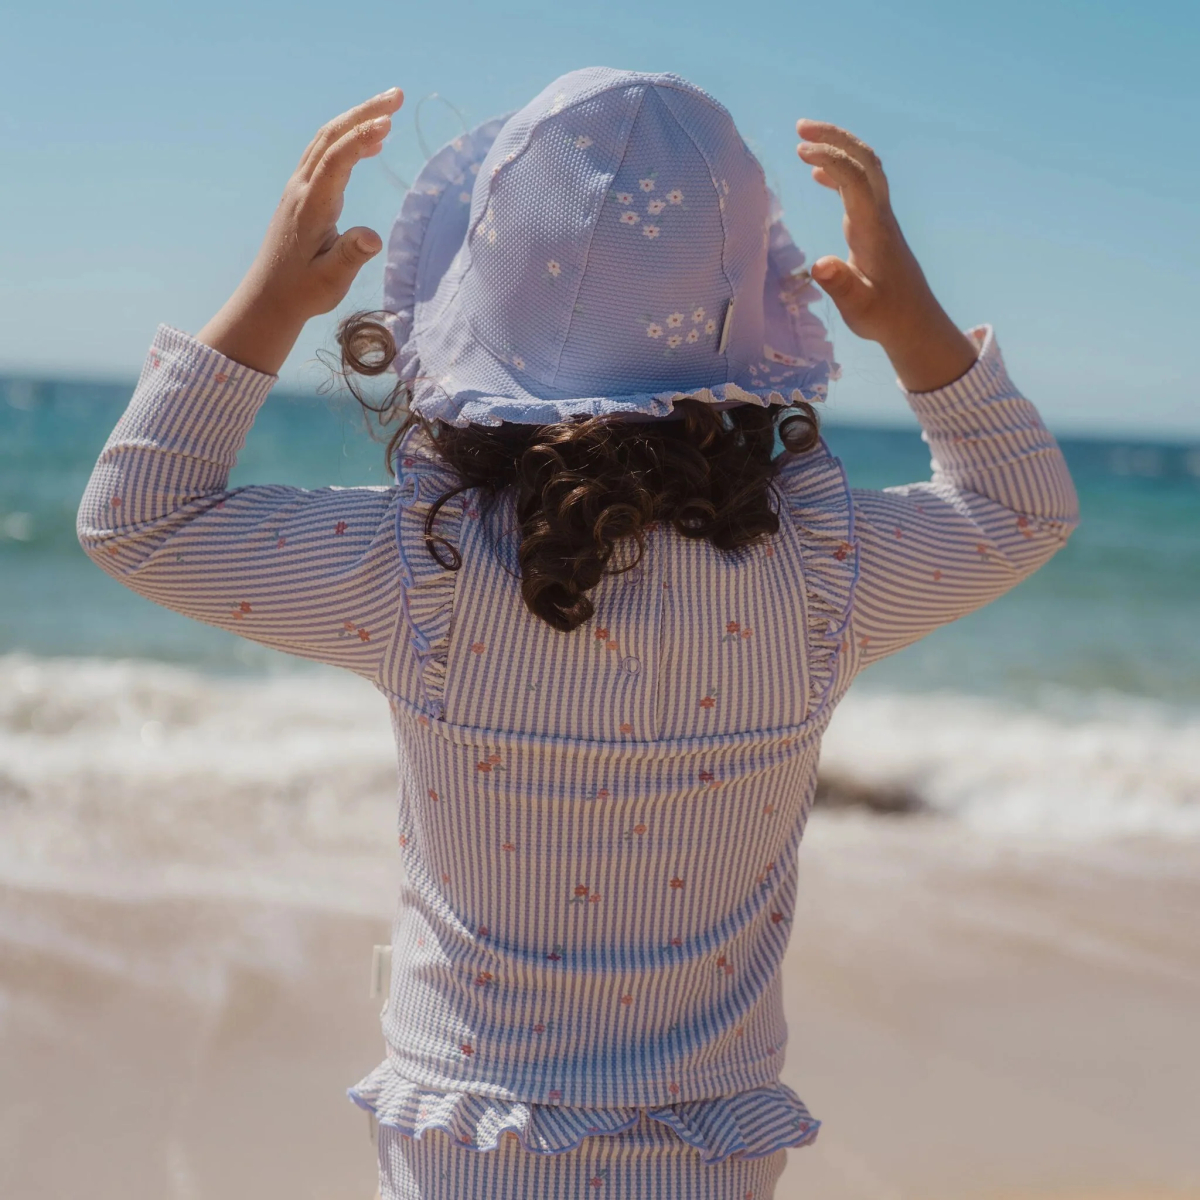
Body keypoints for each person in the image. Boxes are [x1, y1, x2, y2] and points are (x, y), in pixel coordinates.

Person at [78, 67, 1078, 1200]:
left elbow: (139, 521)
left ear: (477, 301)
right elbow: (1021, 509)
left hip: (469, 1149)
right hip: (708, 1156)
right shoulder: (816, 574)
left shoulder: (427, 570)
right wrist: (912, 326)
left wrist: (270, 302)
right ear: (746, 315)